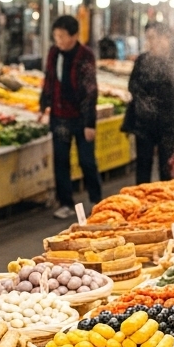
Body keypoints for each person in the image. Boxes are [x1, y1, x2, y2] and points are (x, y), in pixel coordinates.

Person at [40, 15, 101, 219]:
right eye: (56, 36)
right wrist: (44, 104)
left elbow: (90, 90)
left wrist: (89, 123)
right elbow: (48, 79)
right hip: (59, 116)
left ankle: (96, 200)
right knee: (61, 161)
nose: (58, 40)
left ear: (74, 35)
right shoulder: (53, 53)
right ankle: (65, 202)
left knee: (87, 161)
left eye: (62, 36)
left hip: (81, 117)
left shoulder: (85, 55)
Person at [122, 22, 174, 184]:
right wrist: (145, 104)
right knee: (143, 167)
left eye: (153, 38)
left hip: (169, 125)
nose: (150, 43)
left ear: (166, 38)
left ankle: (165, 204)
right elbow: (133, 86)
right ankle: (141, 202)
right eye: (148, 39)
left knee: (167, 168)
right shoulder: (142, 60)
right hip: (144, 124)